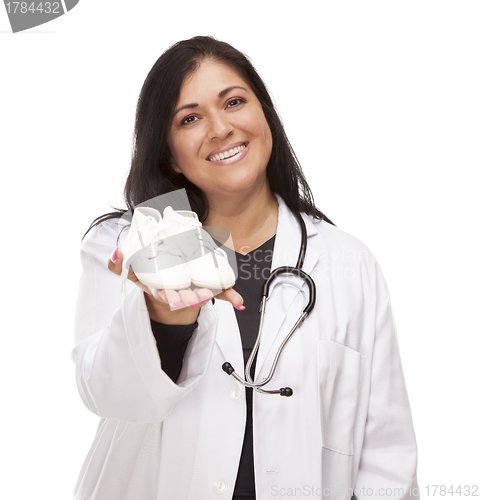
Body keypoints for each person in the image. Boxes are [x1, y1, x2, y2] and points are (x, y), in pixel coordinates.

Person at [73, 36, 419, 500]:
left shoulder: (347, 262)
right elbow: (109, 396)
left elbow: (386, 455)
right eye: (190, 118)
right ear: (168, 153)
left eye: (234, 102)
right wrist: (164, 314)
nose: (219, 128)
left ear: (264, 116)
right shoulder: (125, 244)